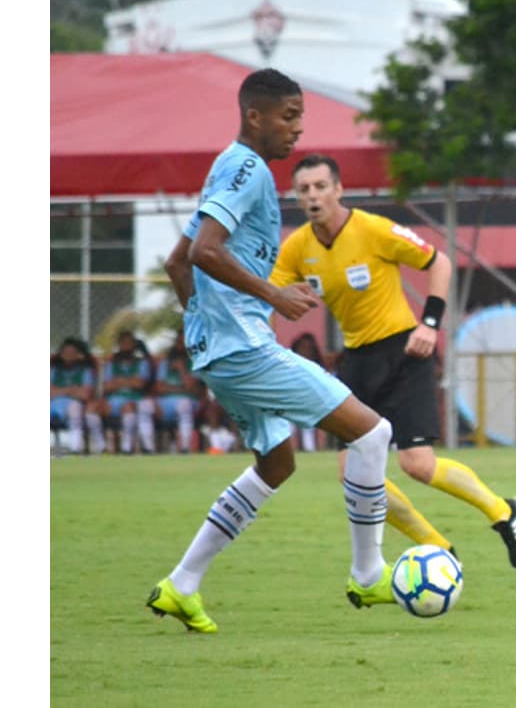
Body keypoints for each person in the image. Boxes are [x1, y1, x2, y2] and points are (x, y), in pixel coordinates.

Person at [146, 68, 399, 634]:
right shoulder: (247, 168)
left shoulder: (224, 166)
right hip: (243, 349)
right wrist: (271, 295)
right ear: (254, 116)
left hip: (223, 349)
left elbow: (176, 261)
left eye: (300, 117)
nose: (298, 129)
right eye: (289, 116)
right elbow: (206, 253)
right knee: (372, 432)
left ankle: (181, 585)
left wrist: (201, 328)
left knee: (278, 463)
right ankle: (367, 573)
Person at [271, 153, 516, 567]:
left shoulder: (372, 229)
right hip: (355, 363)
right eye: (304, 190)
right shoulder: (297, 247)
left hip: (405, 352)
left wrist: (429, 324)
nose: (313, 196)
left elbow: (438, 262)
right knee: (353, 477)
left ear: (338, 190)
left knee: (417, 464)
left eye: (321, 186)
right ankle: (441, 550)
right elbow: (269, 293)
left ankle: (504, 513)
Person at [98, 330, 158, 454]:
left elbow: (140, 384)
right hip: (113, 401)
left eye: (128, 343)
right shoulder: (111, 363)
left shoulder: (142, 362)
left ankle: (131, 447)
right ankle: (100, 448)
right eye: (122, 343)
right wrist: (129, 381)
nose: (125, 346)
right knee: (93, 409)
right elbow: (107, 386)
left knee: (132, 408)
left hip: (136, 399)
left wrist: (118, 381)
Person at [50, 336, 106, 455]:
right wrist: (71, 389)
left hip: (75, 404)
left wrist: (60, 390)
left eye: (72, 352)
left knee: (75, 410)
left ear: (78, 354)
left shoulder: (85, 370)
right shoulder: (54, 370)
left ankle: (75, 448)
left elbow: (85, 394)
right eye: (65, 352)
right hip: (53, 404)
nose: (68, 355)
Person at [153, 329, 206, 454]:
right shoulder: (165, 363)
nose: (181, 346)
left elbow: (191, 387)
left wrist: (181, 369)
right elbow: (159, 388)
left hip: (190, 402)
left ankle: (185, 448)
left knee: (184, 404)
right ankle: (146, 450)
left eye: (185, 343)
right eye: (179, 342)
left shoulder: (197, 362)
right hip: (165, 403)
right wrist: (179, 388)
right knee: (145, 406)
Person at [288, 332, 329, 452]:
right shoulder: (289, 365)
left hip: (309, 403)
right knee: (286, 430)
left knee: (308, 431)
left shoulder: (317, 368)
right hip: (289, 403)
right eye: (302, 349)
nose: (305, 352)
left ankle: (310, 452)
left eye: (308, 349)